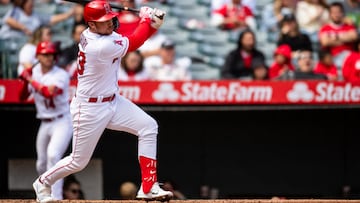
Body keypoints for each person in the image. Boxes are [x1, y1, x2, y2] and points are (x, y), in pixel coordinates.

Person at [31, 1, 173, 202]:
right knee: (78, 161)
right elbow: (134, 43)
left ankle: (148, 186)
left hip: (113, 102)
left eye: (109, 19)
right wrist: (146, 21)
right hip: (89, 108)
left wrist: (148, 23)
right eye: (103, 21)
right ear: (91, 25)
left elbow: (128, 36)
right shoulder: (100, 46)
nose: (109, 23)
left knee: (148, 126)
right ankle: (43, 182)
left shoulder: (101, 34)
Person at [18, 41, 73, 201]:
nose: (49, 57)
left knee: (53, 156)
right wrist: (25, 80)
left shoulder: (60, 74)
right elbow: (22, 97)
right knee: (41, 164)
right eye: (45, 54)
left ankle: (56, 196)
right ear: (38, 56)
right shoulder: (34, 72)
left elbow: (50, 93)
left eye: (51, 55)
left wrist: (29, 79)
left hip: (62, 121)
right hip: (45, 122)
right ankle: (43, 194)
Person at [0, 0, 75, 40]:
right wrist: (24, 28)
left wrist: (68, 14)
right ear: (23, 3)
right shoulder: (16, 11)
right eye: (28, 3)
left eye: (31, 3)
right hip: (7, 41)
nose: (31, 5)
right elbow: (8, 20)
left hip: (22, 44)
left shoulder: (35, 15)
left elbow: (51, 19)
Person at [318, 2, 358, 69]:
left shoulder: (349, 26)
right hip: (333, 59)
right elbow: (325, 42)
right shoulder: (325, 28)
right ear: (330, 14)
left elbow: (354, 37)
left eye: (339, 12)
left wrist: (335, 37)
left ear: (343, 13)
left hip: (350, 58)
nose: (336, 15)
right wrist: (346, 38)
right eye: (334, 12)